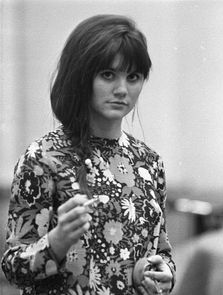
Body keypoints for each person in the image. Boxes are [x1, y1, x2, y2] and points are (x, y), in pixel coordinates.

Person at [1, 14, 176, 295]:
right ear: (82, 75)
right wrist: (56, 242)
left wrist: (164, 272)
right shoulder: (44, 157)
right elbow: (12, 268)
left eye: (133, 77)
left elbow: (162, 251)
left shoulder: (149, 162)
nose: (122, 90)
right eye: (108, 75)